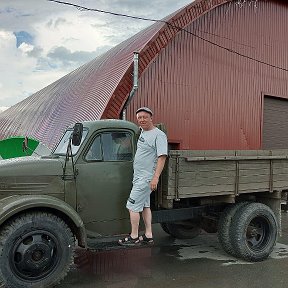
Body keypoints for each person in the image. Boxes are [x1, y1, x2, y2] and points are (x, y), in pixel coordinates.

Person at [118, 107, 168, 246]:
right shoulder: (142, 132)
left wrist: (155, 177)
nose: (142, 120)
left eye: (145, 117)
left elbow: (162, 157)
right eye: (139, 117)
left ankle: (134, 237)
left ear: (151, 118)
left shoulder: (159, 135)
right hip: (139, 177)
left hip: (146, 179)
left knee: (132, 206)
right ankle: (148, 235)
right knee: (145, 206)